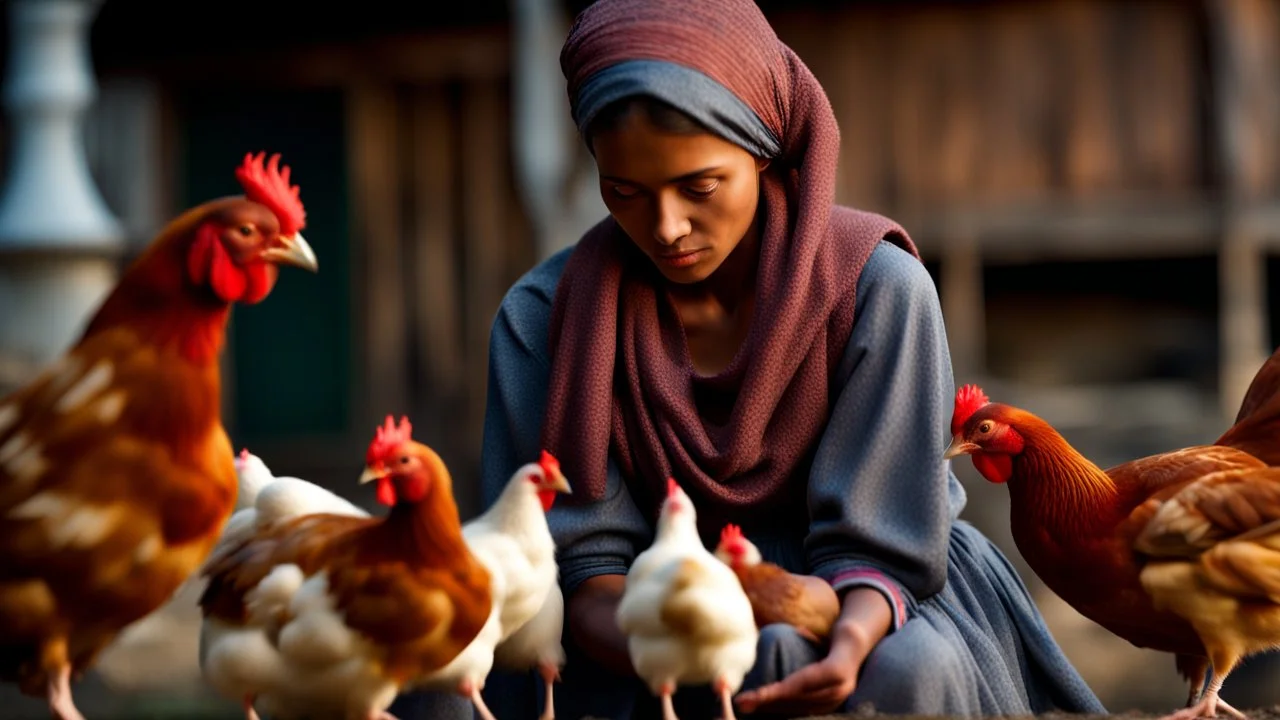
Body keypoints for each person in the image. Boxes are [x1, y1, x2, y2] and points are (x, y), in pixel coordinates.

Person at [403, 0, 1109, 718]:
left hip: (876, 602)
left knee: (911, 674)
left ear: (765, 147)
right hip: (646, 626)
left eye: (700, 187)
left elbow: (885, 551)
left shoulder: (877, 289)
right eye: (624, 193)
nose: (668, 227)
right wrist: (701, 644)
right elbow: (584, 573)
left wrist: (843, 640)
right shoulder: (545, 320)